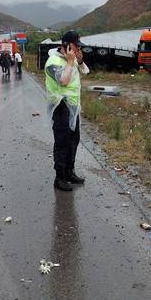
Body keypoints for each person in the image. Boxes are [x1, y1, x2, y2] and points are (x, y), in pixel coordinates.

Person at [44, 30, 89, 191]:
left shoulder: (72, 59)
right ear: (67, 45)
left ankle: (70, 171)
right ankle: (60, 177)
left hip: (73, 107)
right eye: (76, 46)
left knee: (73, 141)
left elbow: (85, 71)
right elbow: (63, 80)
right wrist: (70, 62)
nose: (78, 49)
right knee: (62, 143)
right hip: (61, 107)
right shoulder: (53, 62)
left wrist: (80, 60)